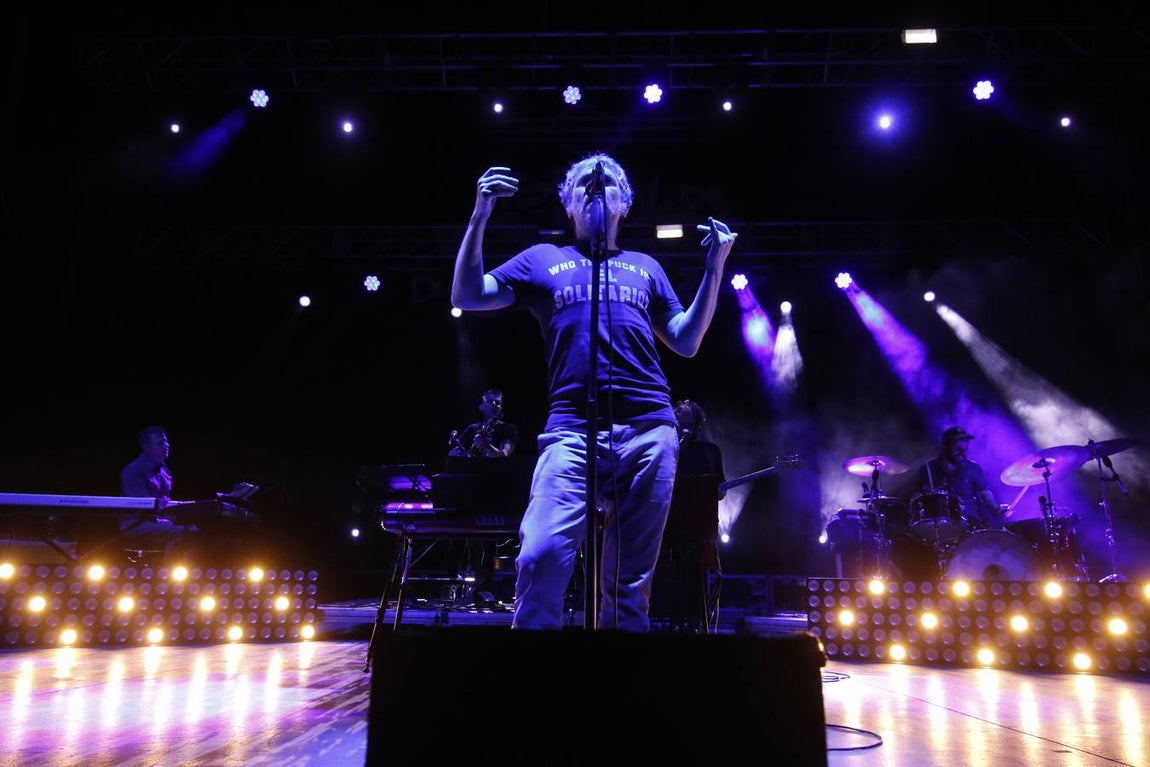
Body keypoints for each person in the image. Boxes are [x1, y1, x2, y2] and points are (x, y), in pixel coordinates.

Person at [450, 153, 737, 631]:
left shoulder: (645, 267)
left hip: (648, 430)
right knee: (540, 558)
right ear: (568, 206)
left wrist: (715, 266)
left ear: (624, 204)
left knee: (627, 586)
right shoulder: (544, 260)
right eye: (584, 184)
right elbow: (468, 296)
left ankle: (614, 694)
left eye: (607, 185)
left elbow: (686, 340)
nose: (595, 189)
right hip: (571, 431)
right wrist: (480, 215)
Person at [652, 398, 727, 632]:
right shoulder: (669, 450)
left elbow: (720, 491)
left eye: (689, 423)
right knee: (671, 575)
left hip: (700, 526)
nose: (684, 428)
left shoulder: (710, 451)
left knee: (697, 577)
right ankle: (671, 622)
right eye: (680, 423)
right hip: (671, 523)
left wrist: (712, 490)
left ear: (698, 425)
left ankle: (698, 624)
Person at [118, 425, 199, 564]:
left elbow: (165, 504)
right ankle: (167, 576)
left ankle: (185, 572)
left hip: (157, 520)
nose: (166, 446)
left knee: (197, 528)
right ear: (145, 446)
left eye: (166, 442)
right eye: (160, 443)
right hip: (135, 523)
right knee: (183, 531)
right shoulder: (133, 470)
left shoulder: (165, 472)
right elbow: (141, 508)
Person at [917, 425, 1005, 533]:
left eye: (965, 449)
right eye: (958, 450)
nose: (964, 453)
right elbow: (922, 499)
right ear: (945, 446)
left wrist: (996, 509)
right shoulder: (928, 468)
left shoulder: (973, 468)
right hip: (941, 526)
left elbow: (984, 493)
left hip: (972, 524)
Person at [448, 388, 519, 458]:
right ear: (481, 406)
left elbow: (504, 456)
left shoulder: (509, 429)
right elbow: (455, 453)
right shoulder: (472, 428)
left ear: (500, 408)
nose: (494, 404)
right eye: (490, 401)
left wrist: (486, 445)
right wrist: (454, 454)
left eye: (497, 403)